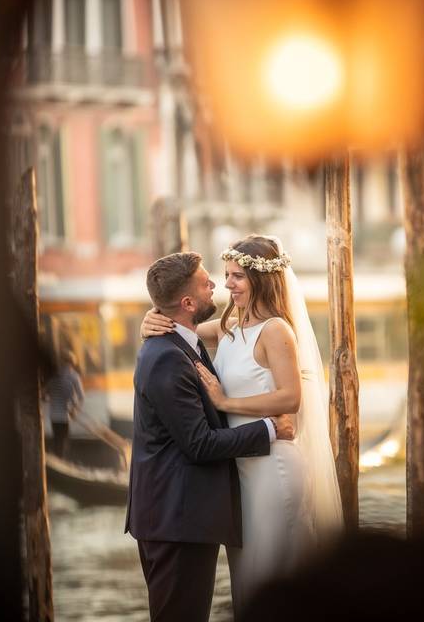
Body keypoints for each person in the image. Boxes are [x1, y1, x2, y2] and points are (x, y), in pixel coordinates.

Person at [141, 235, 343, 616]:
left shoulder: (276, 331)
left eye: (238, 277)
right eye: (226, 275)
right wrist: (149, 319)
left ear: (262, 280)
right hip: (241, 473)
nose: (228, 284)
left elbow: (290, 398)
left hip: (273, 468)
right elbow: (179, 326)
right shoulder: (228, 326)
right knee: (248, 584)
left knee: (273, 579)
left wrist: (224, 402)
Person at [125, 251, 296, 622]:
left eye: (236, 276)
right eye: (208, 282)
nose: (218, 285)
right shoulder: (168, 356)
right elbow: (199, 443)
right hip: (176, 517)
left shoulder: (186, 340)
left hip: (189, 511)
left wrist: (152, 317)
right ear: (187, 302)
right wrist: (269, 427)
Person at [44, 350, 84, 458]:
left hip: (54, 415)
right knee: (63, 440)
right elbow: (81, 397)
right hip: (64, 415)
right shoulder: (74, 377)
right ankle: (61, 460)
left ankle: (58, 458)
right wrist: (74, 410)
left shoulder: (52, 377)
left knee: (57, 439)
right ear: (72, 362)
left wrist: (52, 399)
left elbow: (45, 396)